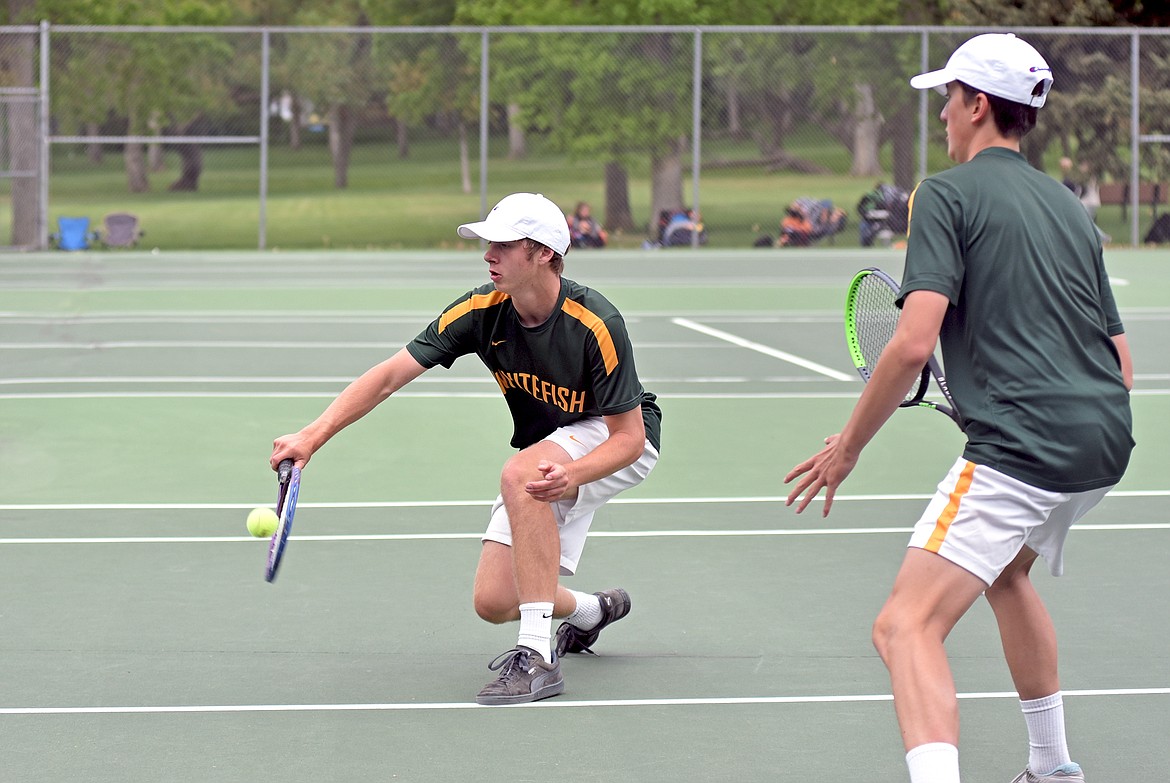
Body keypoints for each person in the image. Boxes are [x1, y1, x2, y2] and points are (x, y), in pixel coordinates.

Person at [783, 33, 1133, 783]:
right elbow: (1120, 365)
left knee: (904, 624)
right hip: (1104, 442)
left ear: (978, 106)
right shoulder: (1071, 210)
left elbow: (912, 345)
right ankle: (1052, 767)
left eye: (949, 97)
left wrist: (847, 447)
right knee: (1006, 572)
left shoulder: (942, 193)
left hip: (1022, 447)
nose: (942, 112)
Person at [270, 192, 662, 705]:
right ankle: (592, 610)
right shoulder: (482, 310)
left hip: (615, 437)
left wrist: (576, 473)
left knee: (522, 475)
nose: (487, 254)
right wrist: (311, 436)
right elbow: (390, 375)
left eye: (502, 244)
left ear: (543, 252)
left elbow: (629, 439)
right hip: (551, 448)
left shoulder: (596, 323)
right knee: (495, 600)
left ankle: (536, 658)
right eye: (487, 243)